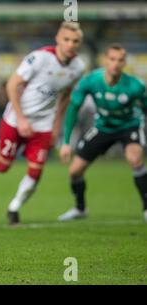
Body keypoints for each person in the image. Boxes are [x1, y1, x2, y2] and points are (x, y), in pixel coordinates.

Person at [0, 21, 86, 225]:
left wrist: (56, 127)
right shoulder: (40, 58)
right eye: (66, 40)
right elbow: (12, 84)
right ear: (58, 40)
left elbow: (65, 97)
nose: (71, 44)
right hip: (15, 119)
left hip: (43, 125)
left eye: (75, 41)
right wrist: (20, 118)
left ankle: (14, 208)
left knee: (36, 170)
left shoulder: (78, 68)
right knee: (2, 166)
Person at [58, 43, 147, 222]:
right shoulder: (91, 81)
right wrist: (66, 142)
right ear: (105, 60)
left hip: (129, 125)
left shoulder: (136, 86)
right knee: (74, 171)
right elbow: (73, 108)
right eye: (112, 59)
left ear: (124, 63)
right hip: (103, 127)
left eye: (120, 60)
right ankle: (80, 209)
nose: (115, 63)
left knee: (135, 159)